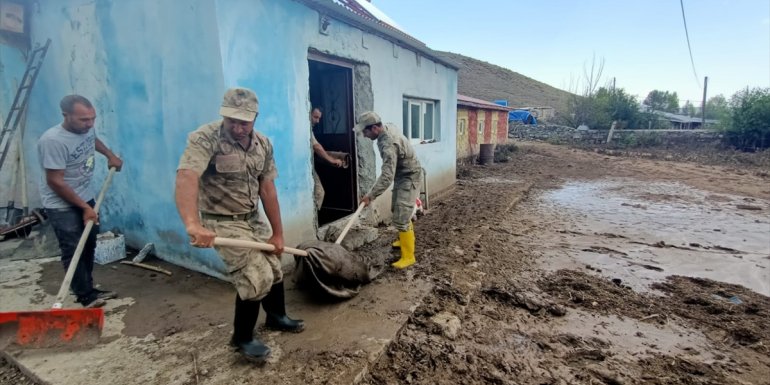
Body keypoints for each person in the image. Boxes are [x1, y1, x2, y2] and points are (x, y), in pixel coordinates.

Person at [175, 87, 304, 363]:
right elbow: (187, 177)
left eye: (243, 122)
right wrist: (193, 224)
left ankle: (276, 317)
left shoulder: (264, 144)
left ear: (255, 117)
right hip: (220, 222)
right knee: (256, 276)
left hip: (251, 217)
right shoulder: (205, 138)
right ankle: (242, 337)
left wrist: (278, 233)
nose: (236, 127)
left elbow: (267, 189)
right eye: (231, 120)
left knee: (274, 266)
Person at [37, 95, 123, 308]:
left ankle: (88, 289)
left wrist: (109, 155)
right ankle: (86, 297)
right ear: (66, 116)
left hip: (85, 196)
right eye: (84, 120)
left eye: (92, 118)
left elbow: (91, 140)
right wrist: (85, 208)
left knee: (89, 243)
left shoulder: (85, 129)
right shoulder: (53, 141)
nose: (90, 124)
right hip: (62, 205)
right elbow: (55, 181)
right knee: (74, 248)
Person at [354, 111, 422, 269]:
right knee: (396, 209)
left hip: (410, 176)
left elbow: (386, 176)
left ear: (376, 128)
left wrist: (370, 196)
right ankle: (404, 238)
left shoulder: (388, 144)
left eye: (365, 131)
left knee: (402, 213)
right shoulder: (385, 129)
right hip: (401, 174)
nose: (364, 135)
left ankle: (408, 256)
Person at [309, 107, 343, 211]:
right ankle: (313, 222)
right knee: (319, 192)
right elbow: (316, 147)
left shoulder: (308, 128)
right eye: (315, 117)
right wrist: (332, 160)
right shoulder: (304, 127)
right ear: (308, 113)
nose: (317, 121)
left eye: (319, 118)